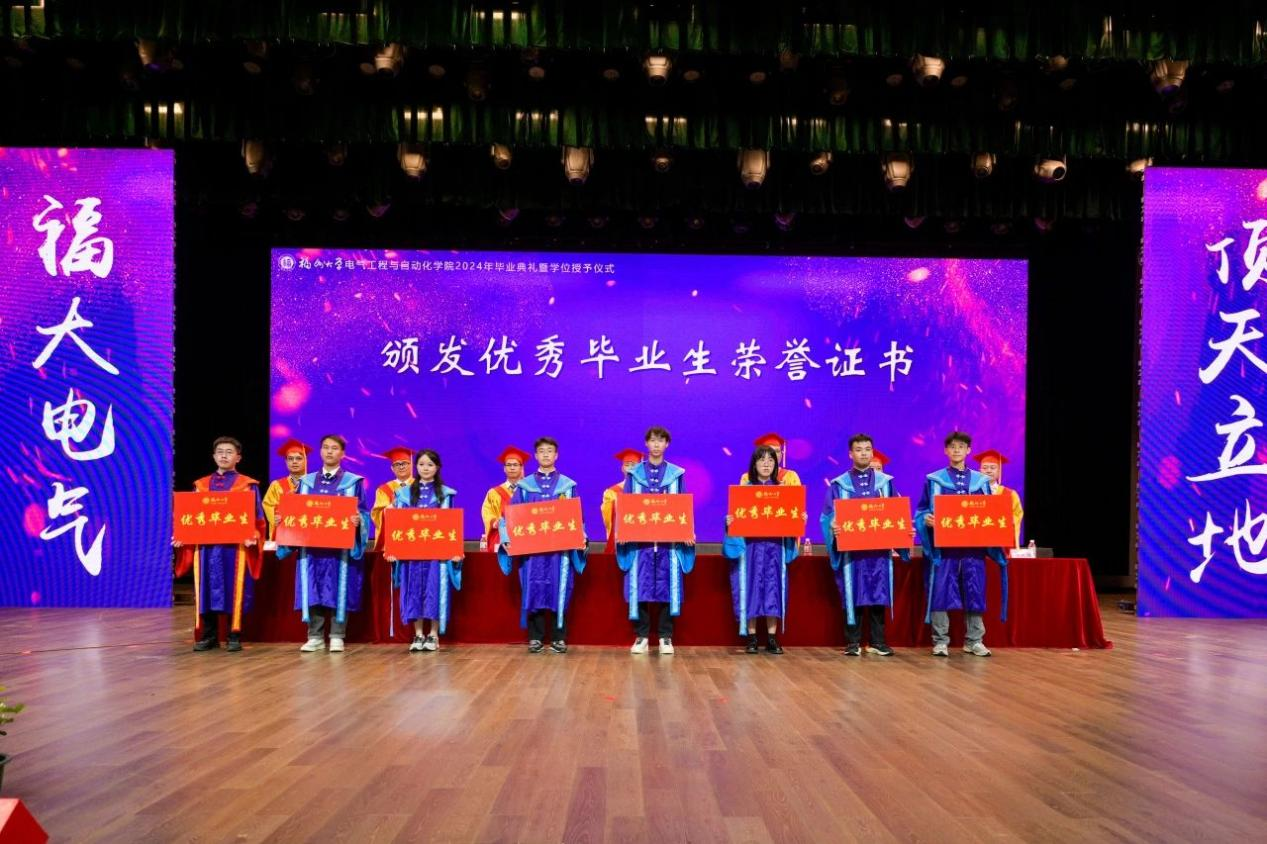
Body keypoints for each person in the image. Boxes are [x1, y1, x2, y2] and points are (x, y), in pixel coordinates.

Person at [914, 431, 1009, 658]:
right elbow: (921, 511)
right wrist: (926, 520)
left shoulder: (980, 482)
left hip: (972, 550)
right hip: (943, 551)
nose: (957, 450)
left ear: (968, 451)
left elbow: (990, 514)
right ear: (946, 451)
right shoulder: (934, 480)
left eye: (961, 446)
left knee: (974, 591)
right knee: (940, 592)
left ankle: (974, 640)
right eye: (952, 446)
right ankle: (940, 641)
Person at [276, 434, 370, 653]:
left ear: (342, 454)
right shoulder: (306, 482)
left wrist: (359, 521)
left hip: (340, 551)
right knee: (313, 588)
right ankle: (315, 636)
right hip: (312, 550)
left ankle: (337, 635)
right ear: (320, 452)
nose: (329, 451)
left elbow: (364, 513)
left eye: (334, 448)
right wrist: (284, 520)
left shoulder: (353, 482)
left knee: (339, 588)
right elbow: (295, 512)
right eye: (326, 447)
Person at [173, 437, 266, 652]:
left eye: (229, 452)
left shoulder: (248, 485)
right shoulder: (201, 485)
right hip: (206, 548)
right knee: (206, 588)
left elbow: (258, 518)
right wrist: (182, 535)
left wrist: (253, 534)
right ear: (214, 456)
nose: (224, 455)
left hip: (234, 549)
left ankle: (234, 635)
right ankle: (209, 636)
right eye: (220, 452)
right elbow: (190, 516)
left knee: (235, 588)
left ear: (238, 457)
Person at [820, 434, 908, 657]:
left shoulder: (885, 483)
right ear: (850, 454)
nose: (864, 453)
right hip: (852, 554)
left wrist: (904, 530)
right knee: (853, 593)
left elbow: (896, 512)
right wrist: (833, 526)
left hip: (879, 552)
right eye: (859, 449)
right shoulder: (840, 484)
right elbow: (827, 516)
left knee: (879, 593)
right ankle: (853, 642)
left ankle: (878, 641)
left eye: (868, 449)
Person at [497, 437, 586, 653]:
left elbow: (577, 517)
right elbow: (510, 516)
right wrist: (506, 537)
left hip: (560, 552)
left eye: (550, 451)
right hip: (532, 552)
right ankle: (535, 637)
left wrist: (582, 536)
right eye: (542, 451)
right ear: (536, 456)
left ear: (556, 455)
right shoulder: (525, 487)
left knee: (559, 589)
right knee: (533, 588)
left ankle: (558, 638)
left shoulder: (568, 486)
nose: (546, 454)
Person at [615, 428, 695, 655]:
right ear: (646, 444)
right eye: (652, 440)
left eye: (661, 441)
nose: (656, 444)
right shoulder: (634, 474)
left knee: (668, 587)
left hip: (668, 545)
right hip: (641, 546)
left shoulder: (676, 474)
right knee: (639, 586)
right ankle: (641, 636)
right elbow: (626, 504)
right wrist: (623, 530)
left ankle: (665, 637)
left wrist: (688, 531)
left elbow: (683, 505)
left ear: (667, 444)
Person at [723, 444, 802, 654]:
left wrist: (798, 519)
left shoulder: (784, 491)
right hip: (751, 548)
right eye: (762, 460)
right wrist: (729, 522)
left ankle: (772, 638)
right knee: (751, 588)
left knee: (773, 589)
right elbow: (734, 519)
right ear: (754, 464)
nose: (766, 464)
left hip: (775, 548)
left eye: (771, 460)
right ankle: (751, 638)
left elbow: (791, 521)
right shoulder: (744, 490)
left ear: (776, 464)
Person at [383, 449, 462, 652]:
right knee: (413, 590)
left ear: (437, 467)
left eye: (430, 465)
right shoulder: (404, 494)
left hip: (437, 555)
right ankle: (418, 634)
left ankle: (433, 634)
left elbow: (450, 526)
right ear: (416, 467)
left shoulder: (445, 494)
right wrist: (392, 549)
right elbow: (397, 525)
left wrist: (455, 551)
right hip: (412, 554)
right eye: (421, 464)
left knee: (435, 590)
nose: (425, 468)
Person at [481, 446, 529, 552]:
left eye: (515, 465)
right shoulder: (494, 493)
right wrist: (494, 522)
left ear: (521, 468)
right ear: (504, 468)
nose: (512, 468)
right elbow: (487, 513)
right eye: (509, 465)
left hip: (524, 538)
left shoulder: (528, 491)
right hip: (502, 540)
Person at [261, 438, 311, 540]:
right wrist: (275, 517)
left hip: (307, 535)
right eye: (290, 459)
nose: (294, 462)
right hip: (283, 535)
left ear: (305, 460)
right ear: (286, 461)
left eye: (299, 458)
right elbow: (268, 505)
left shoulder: (313, 484)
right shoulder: (276, 485)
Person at [975, 450, 1024, 547]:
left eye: (993, 468)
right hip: (978, 543)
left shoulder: (1010, 494)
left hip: (1001, 544)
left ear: (999, 471)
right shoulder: (972, 493)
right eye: (985, 468)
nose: (989, 471)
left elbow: (1017, 515)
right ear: (979, 471)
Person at [601, 448, 643, 555]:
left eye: (634, 465)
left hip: (643, 541)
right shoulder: (612, 492)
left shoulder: (646, 491)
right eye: (627, 465)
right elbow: (608, 519)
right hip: (621, 541)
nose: (630, 468)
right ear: (622, 468)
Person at [371, 446, 414, 550]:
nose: (401, 467)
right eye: (397, 464)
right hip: (393, 539)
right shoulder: (384, 489)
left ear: (411, 465)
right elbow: (377, 516)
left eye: (404, 463)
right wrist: (392, 505)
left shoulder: (422, 487)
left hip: (415, 538)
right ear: (392, 468)